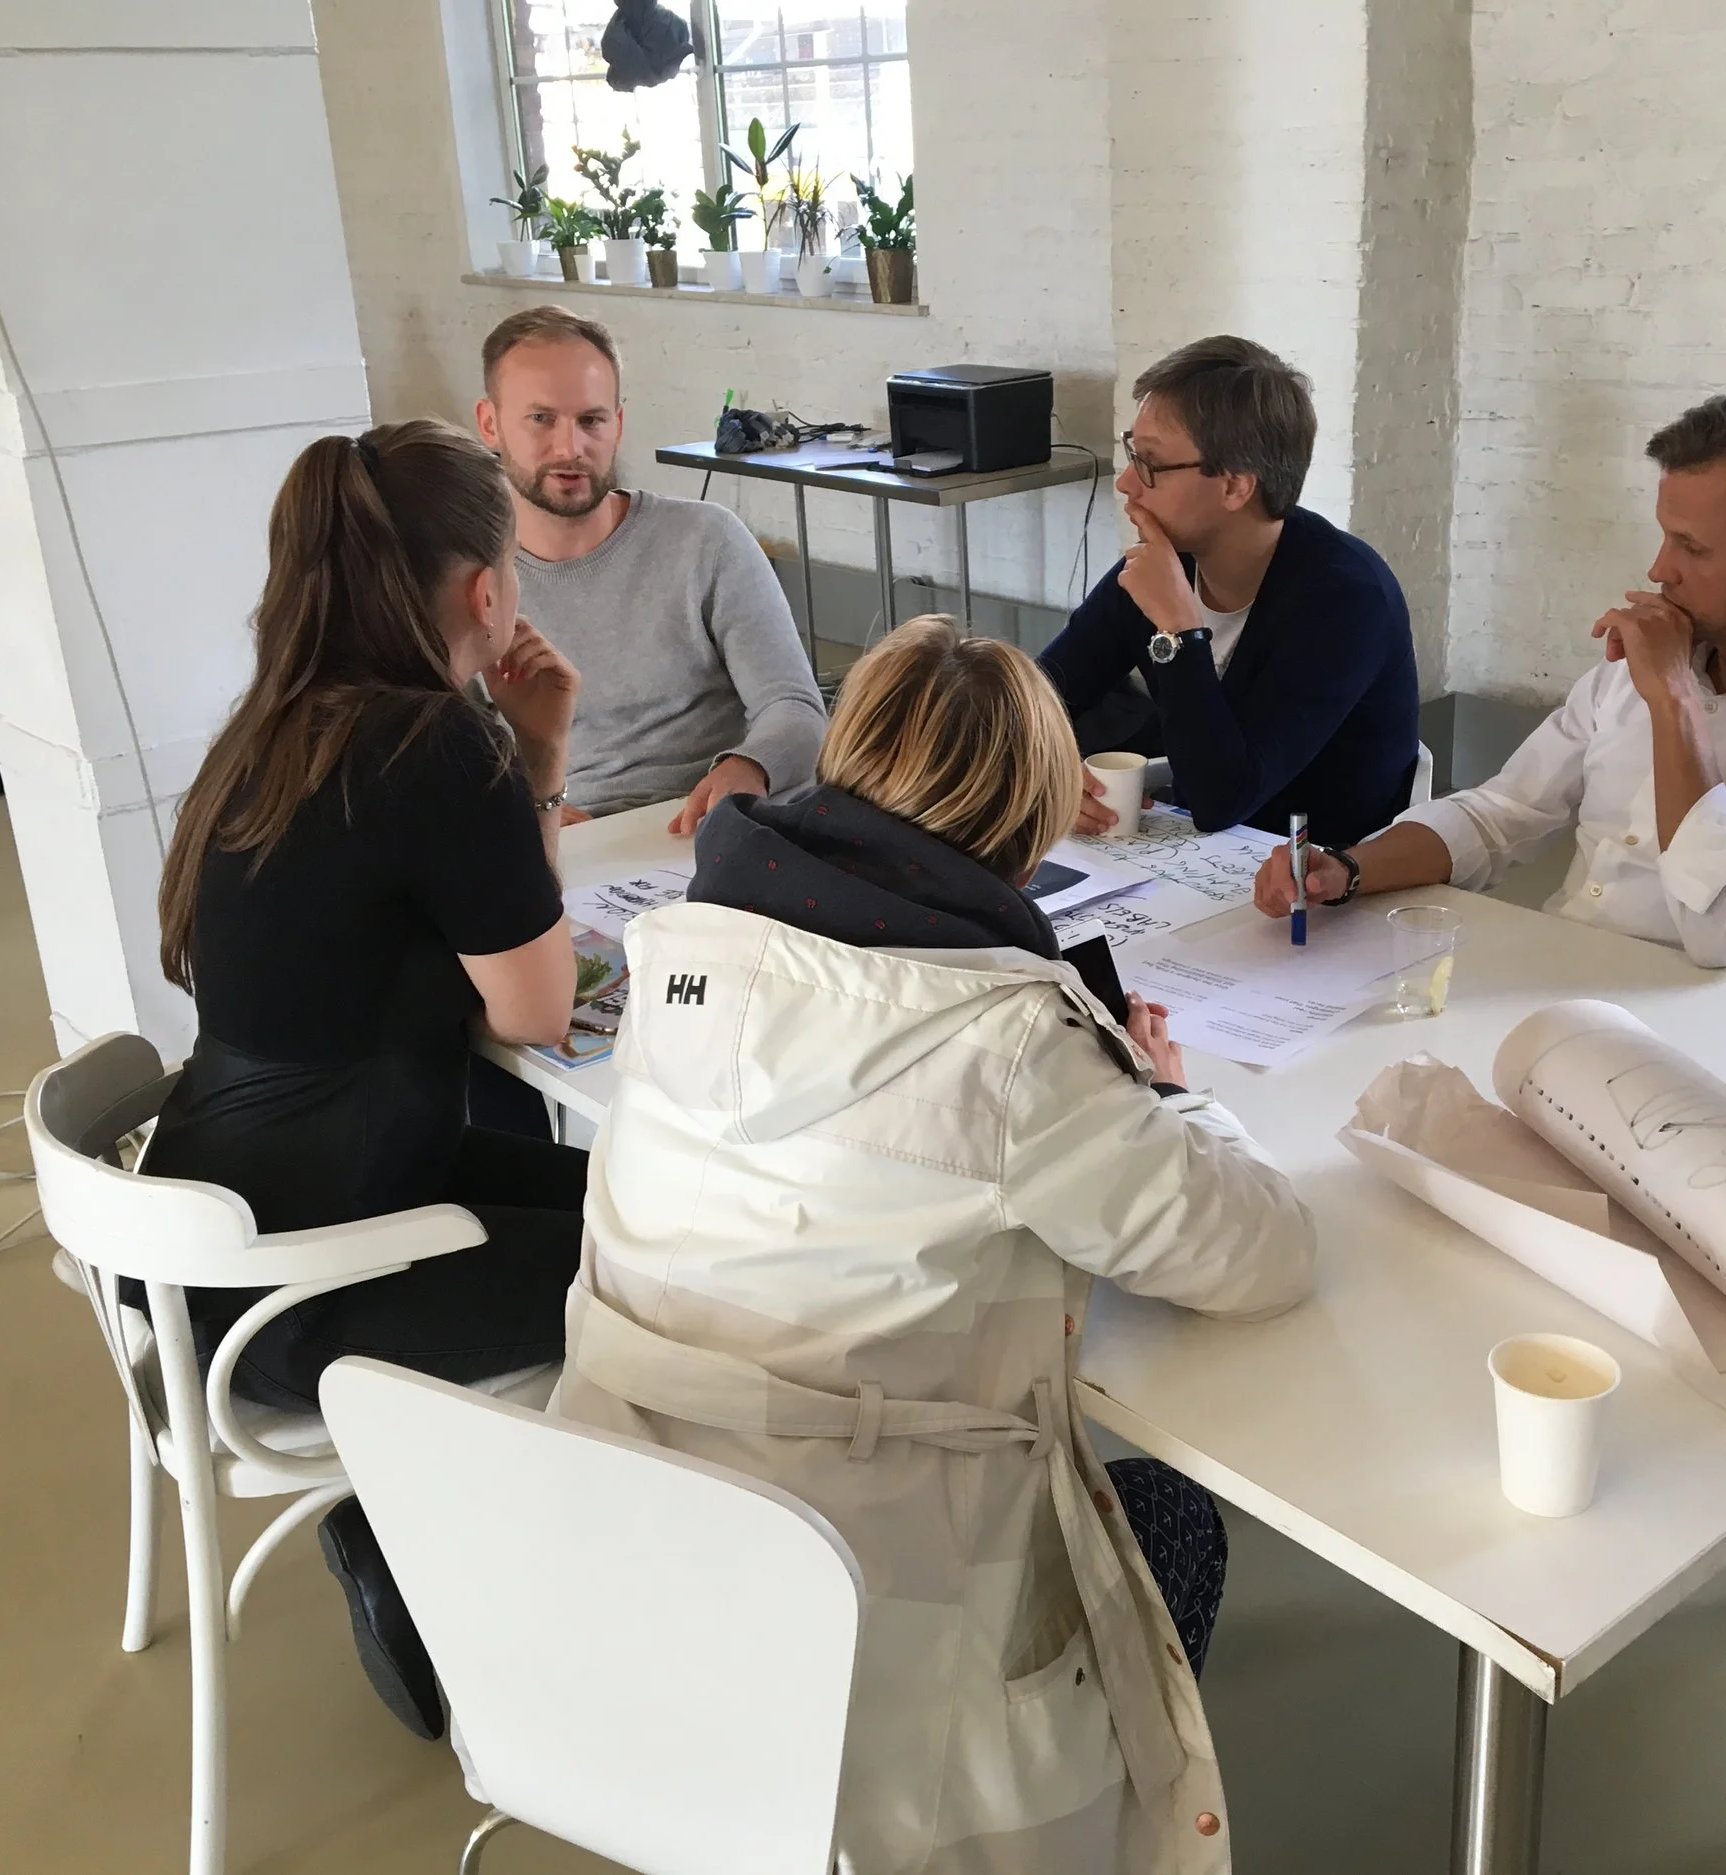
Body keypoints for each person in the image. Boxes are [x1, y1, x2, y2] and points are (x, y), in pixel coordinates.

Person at [557, 616, 1316, 1873]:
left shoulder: (677, 951)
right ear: (1031, 832)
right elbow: (1263, 1254)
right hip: (860, 1638)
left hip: (636, 1569)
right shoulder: (1015, 1050)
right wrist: (1167, 1096)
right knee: (1174, 1520)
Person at [146, 418, 589, 1740]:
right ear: (484, 587)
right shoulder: (431, 750)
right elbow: (544, 1006)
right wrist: (530, 761)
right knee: (666, 1268)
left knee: (629, 1194)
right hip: (302, 1279)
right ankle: (449, 1545)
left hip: (211, 1240)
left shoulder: (272, 729)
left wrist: (536, 761)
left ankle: (399, 1508)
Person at [1254, 388, 1726, 984]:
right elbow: (1502, 815)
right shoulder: (1659, 646)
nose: (1659, 567)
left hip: (1717, 1045)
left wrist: (1674, 701)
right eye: (1663, 536)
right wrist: (1346, 869)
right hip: (1556, 989)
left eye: (1692, 546)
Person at [1037, 335, 1420, 846]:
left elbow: (1223, 799)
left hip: (1321, 883)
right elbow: (1035, 699)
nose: (1127, 482)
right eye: (1132, 452)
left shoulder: (1346, 599)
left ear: (1236, 486)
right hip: (1194, 863)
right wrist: (1051, 777)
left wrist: (1179, 629)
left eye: (1150, 462)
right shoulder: (1169, 561)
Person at [474, 304, 825, 828]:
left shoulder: (706, 539)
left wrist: (752, 765)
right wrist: (526, 811)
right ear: (490, 424)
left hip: (713, 829)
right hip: (566, 846)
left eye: (591, 420)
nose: (570, 447)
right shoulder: (466, 581)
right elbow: (441, 762)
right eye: (541, 419)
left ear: (617, 424)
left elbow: (796, 706)